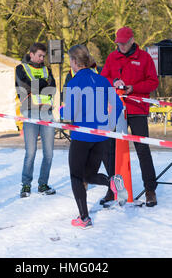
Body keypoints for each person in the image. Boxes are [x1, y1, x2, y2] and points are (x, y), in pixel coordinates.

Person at [61, 44, 123, 229]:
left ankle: (84, 218)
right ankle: (111, 181)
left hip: (81, 137)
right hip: (101, 137)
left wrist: (62, 111)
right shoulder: (103, 80)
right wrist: (108, 125)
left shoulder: (73, 83)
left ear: (74, 62)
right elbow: (119, 106)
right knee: (89, 174)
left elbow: (69, 115)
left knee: (76, 177)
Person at [101, 26, 159, 207]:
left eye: (125, 43)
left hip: (137, 109)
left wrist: (133, 87)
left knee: (142, 150)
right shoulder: (112, 57)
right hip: (116, 110)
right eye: (119, 43)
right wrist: (114, 82)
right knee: (111, 151)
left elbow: (153, 82)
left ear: (132, 40)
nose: (122, 46)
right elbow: (103, 79)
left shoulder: (144, 58)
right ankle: (113, 189)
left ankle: (150, 190)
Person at [15, 42, 56, 198]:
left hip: (47, 112)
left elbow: (52, 88)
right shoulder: (21, 69)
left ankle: (43, 184)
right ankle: (26, 185)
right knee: (30, 152)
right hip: (30, 112)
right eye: (39, 55)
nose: (41, 58)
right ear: (31, 54)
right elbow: (24, 86)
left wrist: (38, 86)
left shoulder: (47, 69)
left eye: (43, 56)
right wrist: (43, 84)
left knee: (49, 154)